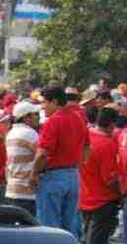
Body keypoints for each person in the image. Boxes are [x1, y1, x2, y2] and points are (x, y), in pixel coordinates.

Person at [31, 84, 90, 237]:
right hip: (73, 176)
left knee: (48, 229)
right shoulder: (79, 118)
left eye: (45, 102)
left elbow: (42, 154)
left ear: (55, 101)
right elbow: (87, 148)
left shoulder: (53, 121)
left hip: (53, 177)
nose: (42, 107)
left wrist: (34, 174)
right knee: (70, 227)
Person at [79, 107, 121, 244]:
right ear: (112, 124)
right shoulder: (107, 144)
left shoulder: (86, 135)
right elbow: (110, 179)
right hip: (103, 201)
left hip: (85, 197)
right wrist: (122, 196)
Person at [4, 100, 41, 215]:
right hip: (27, 193)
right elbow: (43, 155)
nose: (38, 117)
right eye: (35, 114)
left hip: (12, 190)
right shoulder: (29, 134)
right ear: (26, 118)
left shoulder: (11, 133)